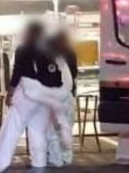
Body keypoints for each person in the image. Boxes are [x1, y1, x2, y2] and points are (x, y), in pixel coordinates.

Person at [0, 22, 70, 173]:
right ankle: (39, 166)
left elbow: (18, 72)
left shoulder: (24, 48)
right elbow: (57, 75)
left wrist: (10, 93)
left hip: (27, 94)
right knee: (38, 131)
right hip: (44, 96)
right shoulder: (49, 50)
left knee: (11, 129)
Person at [46, 29, 78, 168]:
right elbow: (74, 73)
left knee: (52, 129)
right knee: (66, 127)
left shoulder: (46, 57)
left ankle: (55, 158)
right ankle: (65, 157)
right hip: (67, 95)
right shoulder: (69, 53)